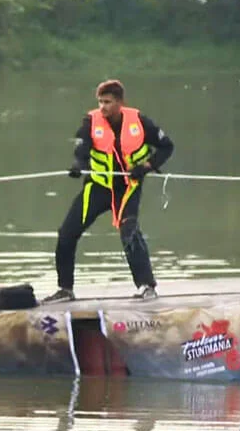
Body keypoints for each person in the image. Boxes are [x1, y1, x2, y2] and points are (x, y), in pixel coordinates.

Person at [43, 79, 174, 304]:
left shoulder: (140, 121)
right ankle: (65, 290)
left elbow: (166, 147)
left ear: (120, 102)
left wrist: (145, 167)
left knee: (129, 232)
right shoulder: (90, 121)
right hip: (98, 187)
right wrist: (78, 166)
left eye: (108, 102)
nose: (102, 107)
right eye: (100, 102)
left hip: (128, 187)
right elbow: (82, 148)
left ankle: (146, 286)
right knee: (66, 233)